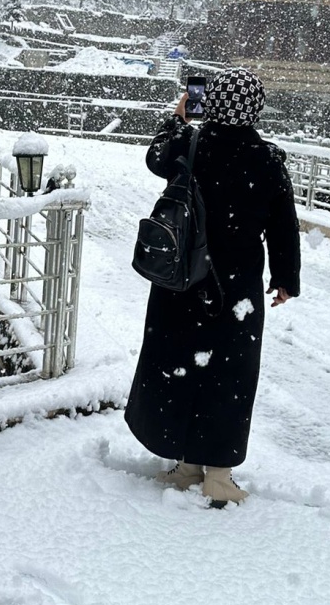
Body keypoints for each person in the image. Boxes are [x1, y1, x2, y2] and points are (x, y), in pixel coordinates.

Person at [124, 67, 300, 507]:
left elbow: (154, 159)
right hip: (236, 288)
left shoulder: (190, 145)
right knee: (230, 376)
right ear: (256, 110)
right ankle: (218, 475)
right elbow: (284, 228)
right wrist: (285, 280)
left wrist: (178, 120)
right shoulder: (269, 160)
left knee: (179, 364)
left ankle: (185, 466)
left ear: (213, 103)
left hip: (184, 277)